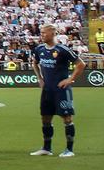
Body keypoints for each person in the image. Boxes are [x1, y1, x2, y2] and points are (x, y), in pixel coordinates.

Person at [30, 24, 84, 157]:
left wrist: (70, 79)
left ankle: (69, 150)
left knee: (67, 118)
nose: (42, 35)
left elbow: (81, 64)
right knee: (45, 118)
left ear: (53, 34)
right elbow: (34, 63)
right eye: (41, 33)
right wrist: (40, 79)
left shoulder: (63, 50)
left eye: (44, 33)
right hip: (47, 90)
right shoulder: (39, 49)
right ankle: (46, 148)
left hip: (61, 90)